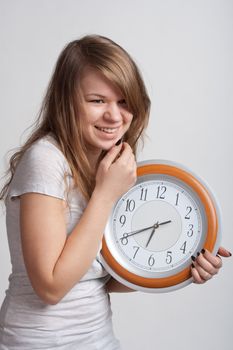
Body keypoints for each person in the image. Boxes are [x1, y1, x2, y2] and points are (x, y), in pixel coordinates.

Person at [0, 34, 231, 350]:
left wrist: (183, 268)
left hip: (98, 339)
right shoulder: (46, 160)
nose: (114, 116)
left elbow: (99, 279)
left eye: (124, 102)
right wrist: (106, 194)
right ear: (66, 100)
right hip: (39, 342)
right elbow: (51, 287)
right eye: (97, 100)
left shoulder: (106, 163)